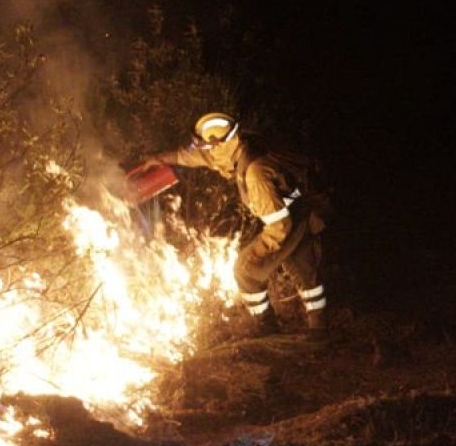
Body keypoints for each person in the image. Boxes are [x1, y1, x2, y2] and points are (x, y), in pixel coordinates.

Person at [141, 112, 329, 337]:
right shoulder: (235, 150)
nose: (204, 152)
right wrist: (159, 158)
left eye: (208, 147)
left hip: (289, 220)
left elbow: (280, 226)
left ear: (223, 144)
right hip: (297, 210)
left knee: (245, 272)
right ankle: (319, 328)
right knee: (304, 271)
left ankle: (266, 328)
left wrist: (260, 253)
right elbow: (193, 157)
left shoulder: (254, 174)